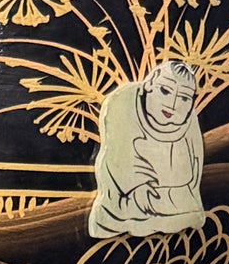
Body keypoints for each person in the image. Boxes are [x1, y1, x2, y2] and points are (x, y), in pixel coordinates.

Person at [87, 55, 206, 238]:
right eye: (165, 91)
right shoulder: (122, 102)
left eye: (183, 98)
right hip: (128, 203)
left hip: (177, 209)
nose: (173, 105)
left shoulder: (188, 119)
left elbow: (193, 172)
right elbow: (120, 168)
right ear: (149, 84)